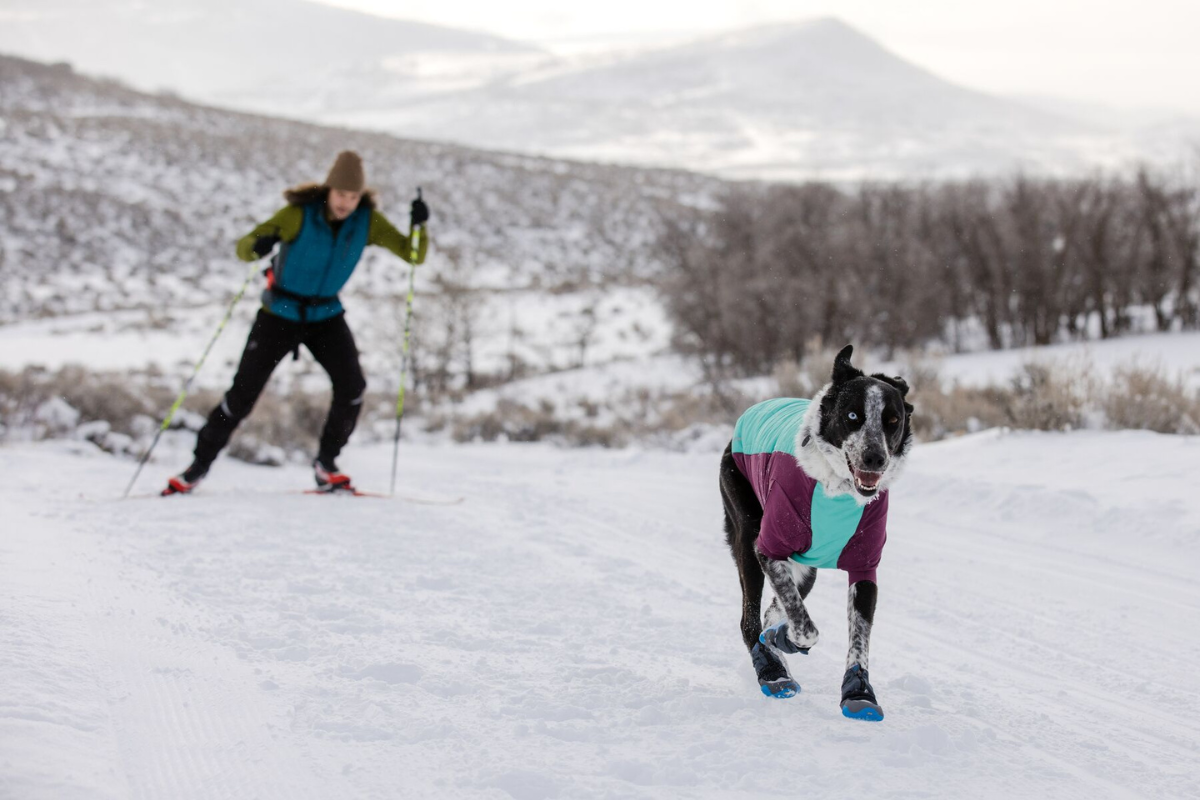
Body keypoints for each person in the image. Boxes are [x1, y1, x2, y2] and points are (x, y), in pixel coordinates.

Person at [163, 151, 430, 495]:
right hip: (279, 314)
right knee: (242, 395)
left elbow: (413, 255)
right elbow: (244, 248)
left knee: (353, 387)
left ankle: (326, 465)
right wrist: (259, 245)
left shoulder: (367, 221)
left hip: (326, 316)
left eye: (353, 197)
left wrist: (420, 226)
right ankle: (196, 468)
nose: (346, 203)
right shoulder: (297, 215)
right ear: (328, 189)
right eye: (341, 195)